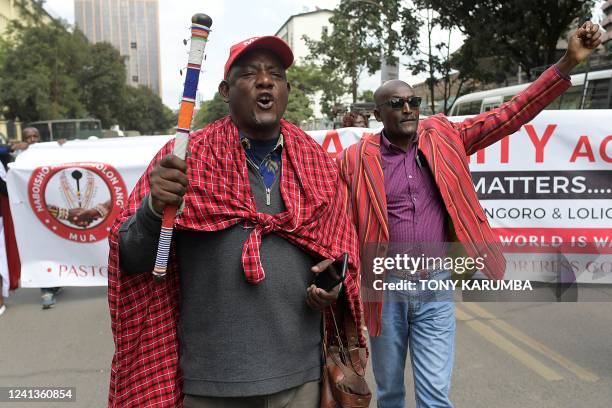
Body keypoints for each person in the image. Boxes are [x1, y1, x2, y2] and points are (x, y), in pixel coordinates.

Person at [336, 22, 601, 408]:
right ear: (379, 113)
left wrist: (566, 62)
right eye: (396, 104)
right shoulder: (355, 160)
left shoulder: (444, 136)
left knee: (435, 399)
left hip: (435, 289)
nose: (408, 108)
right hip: (386, 290)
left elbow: (511, 114)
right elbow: (338, 222)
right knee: (390, 393)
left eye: (413, 102)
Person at [107, 36, 363, 407]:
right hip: (210, 386)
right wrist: (152, 207)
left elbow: (343, 258)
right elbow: (131, 258)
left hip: (301, 381)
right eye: (250, 74)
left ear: (286, 90)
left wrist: (334, 284)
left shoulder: (317, 164)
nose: (264, 81)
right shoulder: (184, 159)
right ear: (226, 91)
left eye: (275, 74)